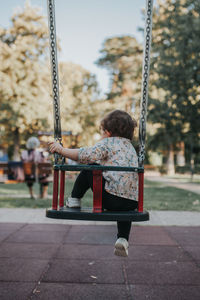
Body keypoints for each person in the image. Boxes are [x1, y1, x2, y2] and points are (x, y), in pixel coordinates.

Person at [49, 110, 138, 257]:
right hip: (132, 202)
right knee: (125, 203)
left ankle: (74, 199)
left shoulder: (107, 143)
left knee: (90, 167)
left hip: (110, 200)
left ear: (108, 132)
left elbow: (84, 155)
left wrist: (61, 150)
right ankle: (123, 238)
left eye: (101, 132)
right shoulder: (130, 148)